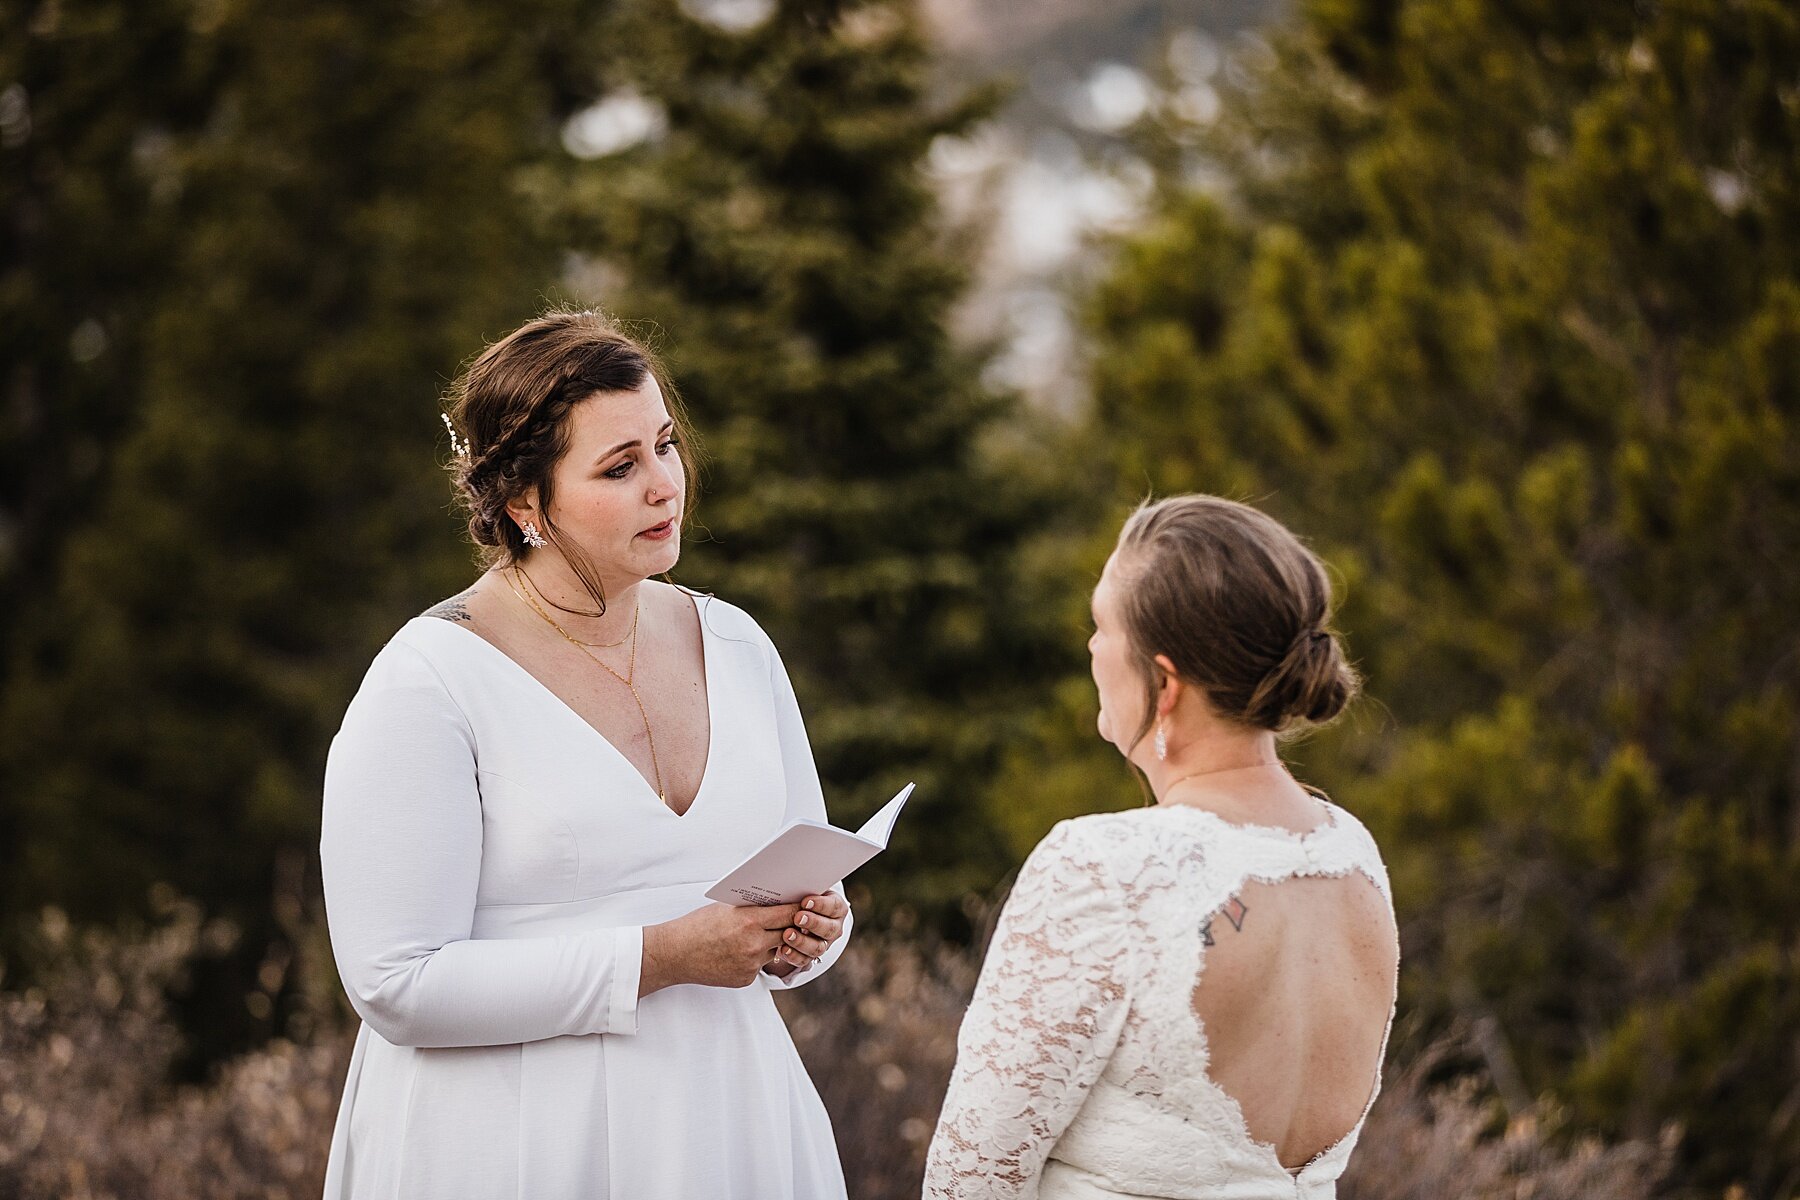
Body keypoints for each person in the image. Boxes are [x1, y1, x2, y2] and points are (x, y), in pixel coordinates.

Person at [319, 310, 852, 1199]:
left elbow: (802, 867)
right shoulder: (428, 682)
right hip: (518, 1144)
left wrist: (812, 932)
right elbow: (394, 984)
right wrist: (664, 955)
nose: (665, 486)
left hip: (727, 1126)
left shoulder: (738, 646)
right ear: (524, 504)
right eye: (620, 467)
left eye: (666, 446)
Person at [924, 495, 1400, 1200]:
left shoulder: (1104, 870)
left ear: (1165, 683)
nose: (1090, 648)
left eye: (1101, 627)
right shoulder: (1352, 857)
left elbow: (970, 1180)